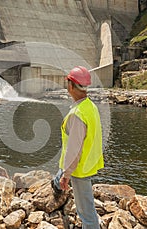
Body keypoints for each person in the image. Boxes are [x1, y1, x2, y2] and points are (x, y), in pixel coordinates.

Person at [51, 66, 104, 229]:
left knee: (87, 214)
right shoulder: (89, 106)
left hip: (80, 168)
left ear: (71, 86)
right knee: (60, 180)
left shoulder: (77, 115)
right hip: (88, 162)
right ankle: (56, 182)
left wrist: (67, 174)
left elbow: (74, 150)